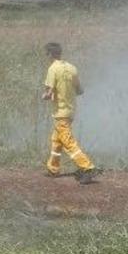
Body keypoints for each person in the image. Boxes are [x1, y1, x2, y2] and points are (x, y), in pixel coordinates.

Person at [42, 42, 98, 184]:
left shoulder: (53, 69)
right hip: (70, 111)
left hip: (60, 112)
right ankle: (53, 168)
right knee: (56, 140)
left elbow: (48, 93)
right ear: (60, 52)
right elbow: (80, 91)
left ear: (49, 54)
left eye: (46, 54)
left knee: (68, 141)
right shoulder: (72, 68)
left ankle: (87, 168)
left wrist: (45, 96)